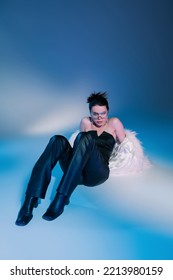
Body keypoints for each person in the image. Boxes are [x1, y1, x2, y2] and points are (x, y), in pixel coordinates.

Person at [15, 92, 126, 226]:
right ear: (90, 112)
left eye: (102, 113)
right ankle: (30, 200)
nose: (99, 117)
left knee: (86, 137)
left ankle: (61, 198)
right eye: (95, 113)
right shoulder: (86, 122)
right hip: (77, 171)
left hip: (97, 172)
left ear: (107, 111)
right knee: (57, 140)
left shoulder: (114, 123)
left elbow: (125, 145)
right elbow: (80, 146)